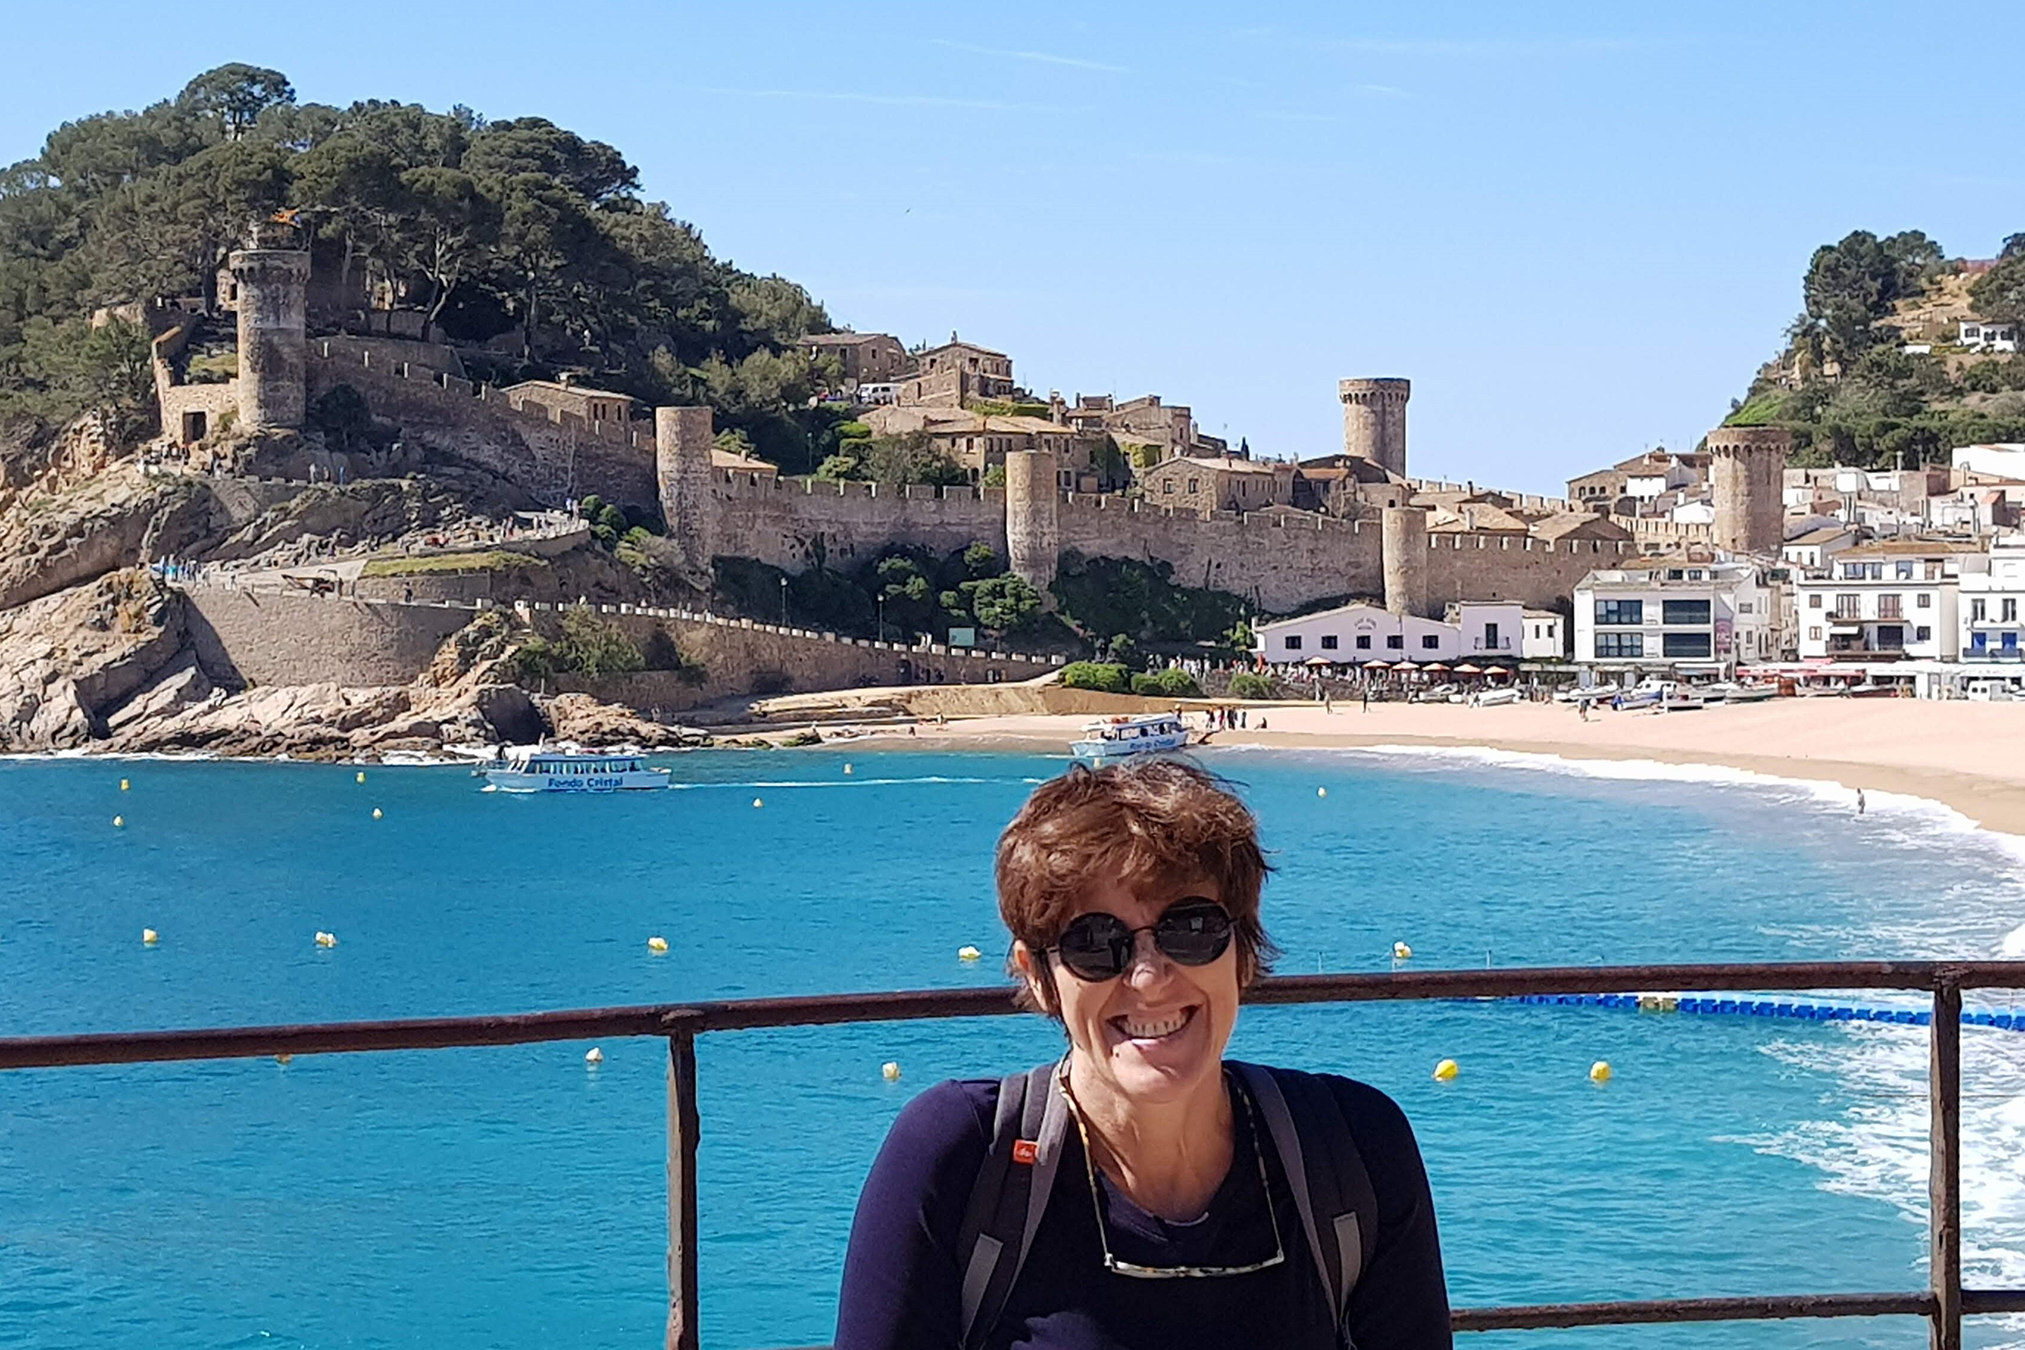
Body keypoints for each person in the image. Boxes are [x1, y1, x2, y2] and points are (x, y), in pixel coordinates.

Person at [835, 762, 1451, 1350]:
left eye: (1192, 929)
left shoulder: (1354, 1149)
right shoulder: (960, 1160)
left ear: (1242, 949)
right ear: (1040, 976)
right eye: (1097, 943)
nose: (1151, 976)